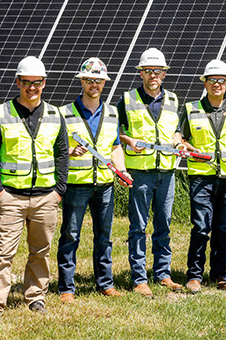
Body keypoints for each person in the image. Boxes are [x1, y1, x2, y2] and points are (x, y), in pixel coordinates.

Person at [0, 56, 68, 322]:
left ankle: (36, 297)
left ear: (44, 83)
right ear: (17, 82)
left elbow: (62, 153)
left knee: (40, 252)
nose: (32, 88)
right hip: (11, 197)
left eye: (37, 83)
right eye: (27, 82)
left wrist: (59, 190)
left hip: (45, 197)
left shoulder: (55, 114)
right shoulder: (1, 113)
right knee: (3, 252)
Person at [57, 57, 132, 303]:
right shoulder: (64, 113)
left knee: (104, 235)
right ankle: (66, 288)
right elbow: (54, 149)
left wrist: (121, 170)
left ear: (104, 83)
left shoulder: (111, 113)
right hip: (76, 184)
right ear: (82, 81)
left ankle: (105, 283)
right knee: (70, 235)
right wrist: (69, 152)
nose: (94, 85)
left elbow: (115, 147)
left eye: (98, 80)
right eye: (89, 80)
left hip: (105, 185)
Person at [116, 48, 183, 297]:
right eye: (148, 71)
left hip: (166, 171)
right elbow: (115, 132)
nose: (153, 75)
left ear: (164, 74)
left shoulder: (174, 100)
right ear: (141, 73)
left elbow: (176, 131)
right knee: (138, 227)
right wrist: (127, 139)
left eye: (157, 71)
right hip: (140, 172)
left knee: (163, 224)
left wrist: (178, 143)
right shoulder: (127, 99)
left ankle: (163, 274)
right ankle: (139, 278)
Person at [179, 60, 226, 293]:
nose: (217, 84)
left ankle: (220, 274)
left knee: (222, 227)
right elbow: (181, 138)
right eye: (212, 81)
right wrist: (183, 145)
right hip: (201, 178)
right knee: (200, 227)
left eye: (221, 81)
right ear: (205, 83)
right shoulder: (191, 109)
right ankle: (194, 275)